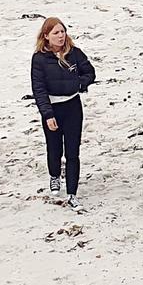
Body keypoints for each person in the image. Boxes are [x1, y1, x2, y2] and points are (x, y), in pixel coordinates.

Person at [31, 16, 96, 205]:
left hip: (72, 106)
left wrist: (79, 84)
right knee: (54, 148)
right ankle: (54, 176)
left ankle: (72, 192)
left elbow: (90, 73)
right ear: (46, 36)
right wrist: (47, 114)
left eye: (63, 31)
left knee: (73, 150)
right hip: (52, 108)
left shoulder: (74, 53)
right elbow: (39, 89)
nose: (61, 36)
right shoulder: (39, 59)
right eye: (56, 33)